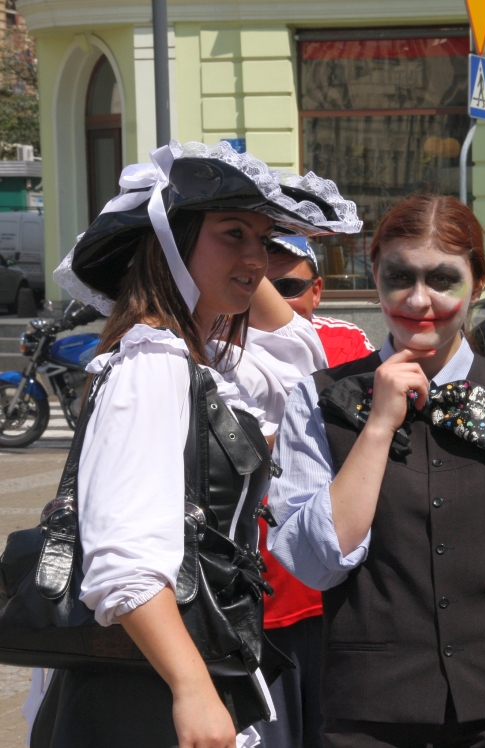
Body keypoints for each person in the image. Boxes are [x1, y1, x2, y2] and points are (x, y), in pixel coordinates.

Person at [29, 140, 354, 748]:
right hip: (148, 688)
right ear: (172, 242)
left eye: (265, 240)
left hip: (193, 660)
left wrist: (236, 255)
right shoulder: (151, 364)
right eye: (232, 234)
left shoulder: (199, 361)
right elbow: (123, 556)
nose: (258, 258)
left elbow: (298, 364)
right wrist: (191, 687)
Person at [267, 194, 485, 748]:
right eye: (399, 276)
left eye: (443, 279)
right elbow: (314, 564)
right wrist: (378, 427)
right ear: (374, 278)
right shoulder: (318, 399)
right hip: (373, 713)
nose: (419, 299)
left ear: (478, 285)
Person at [254, 234, 373, 748]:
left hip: (331, 598)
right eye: (258, 282)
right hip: (247, 606)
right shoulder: (202, 342)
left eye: (287, 287)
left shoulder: (340, 342)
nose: (272, 300)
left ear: (318, 290)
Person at [267, 235, 375, 365]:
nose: (272, 301)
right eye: (258, 289)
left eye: (288, 286)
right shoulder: (240, 347)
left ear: (315, 292)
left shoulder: (345, 341)